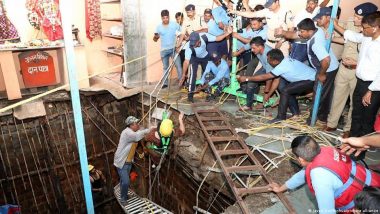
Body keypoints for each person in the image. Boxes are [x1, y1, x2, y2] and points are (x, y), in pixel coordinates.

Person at [269, 135, 380, 214]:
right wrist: (280, 188)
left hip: (366, 206)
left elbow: (327, 211)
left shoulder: (319, 178)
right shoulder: (327, 150)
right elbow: (302, 175)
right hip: (375, 185)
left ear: (300, 159)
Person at [325, 3, 378, 138]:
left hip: (365, 79)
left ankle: (355, 135)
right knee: (343, 101)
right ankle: (335, 125)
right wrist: (336, 26)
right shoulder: (366, 35)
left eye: (359, 18)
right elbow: (352, 37)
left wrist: (371, 89)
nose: (355, 20)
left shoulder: (374, 40)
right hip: (350, 72)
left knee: (361, 111)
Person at [276, 18, 339, 124]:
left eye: (301, 31)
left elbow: (326, 60)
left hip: (327, 69)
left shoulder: (316, 44)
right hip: (324, 67)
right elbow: (294, 35)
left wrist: (322, 74)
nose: (299, 34)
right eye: (299, 31)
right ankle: (322, 116)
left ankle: (312, 119)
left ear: (309, 31)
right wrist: (283, 32)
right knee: (324, 93)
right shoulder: (316, 29)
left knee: (319, 94)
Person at [238, 49, 315, 122]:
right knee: (288, 90)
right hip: (310, 78)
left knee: (286, 91)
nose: (268, 62)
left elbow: (264, 76)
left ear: (275, 61)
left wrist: (247, 78)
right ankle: (296, 115)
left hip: (312, 80)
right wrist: (268, 94)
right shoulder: (285, 61)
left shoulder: (282, 66)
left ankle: (280, 117)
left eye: (269, 60)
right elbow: (276, 81)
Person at [179, 29, 232, 103]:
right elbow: (186, 62)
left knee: (209, 75)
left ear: (199, 40)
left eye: (195, 43)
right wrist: (183, 74)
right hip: (194, 58)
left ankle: (210, 93)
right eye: (192, 43)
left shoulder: (204, 36)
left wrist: (227, 33)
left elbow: (217, 38)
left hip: (205, 56)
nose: (193, 45)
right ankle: (190, 95)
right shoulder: (189, 46)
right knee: (192, 74)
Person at [229, 0, 294, 56]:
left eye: (270, 4)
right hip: (268, 44)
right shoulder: (267, 11)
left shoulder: (286, 13)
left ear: (277, 2)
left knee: (283, 65)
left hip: (282, 44)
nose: (269, 6)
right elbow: (251, 14)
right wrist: (236, 12)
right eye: (267, 4)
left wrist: (281, 41)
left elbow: (291, 30)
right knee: (266, 65)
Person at [113, 116, 151, 206]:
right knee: (126, 181)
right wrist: (149, 130)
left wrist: (150, 128)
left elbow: (140, 131)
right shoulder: (127, 133)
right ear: (131, 125)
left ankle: (125, 196)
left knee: (123, 181)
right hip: (121, 162)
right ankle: (123, 200)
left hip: (129, 162)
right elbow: (137, 136)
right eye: (136, 123)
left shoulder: (134, 130)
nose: (138, 125)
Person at [238, 36, 273, 111]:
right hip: (264, 66)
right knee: (251, 82)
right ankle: (249, 104)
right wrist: (237, 53)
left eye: (254, 48)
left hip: (273, 71)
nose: (252, 50)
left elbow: (269, 76)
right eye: (252, 48)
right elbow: (247, 46)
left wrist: (266, 92)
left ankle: (250, 104)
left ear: (260, 47)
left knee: (251, 83)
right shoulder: (257, 46)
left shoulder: (268, 55)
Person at [153, 10, 182, 88]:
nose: (165, 19)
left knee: (178, 65)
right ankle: (165, 83)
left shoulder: (175, 24)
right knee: (165, 67)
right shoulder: (158, 27)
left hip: (173, 49)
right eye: (163, 18)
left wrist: (178, 45)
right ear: (161, 18)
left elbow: (182, 33)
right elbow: (155, 39)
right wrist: (156, 37)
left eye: (167, 17)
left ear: (169, 17)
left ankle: (181, 82)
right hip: (164, 51)